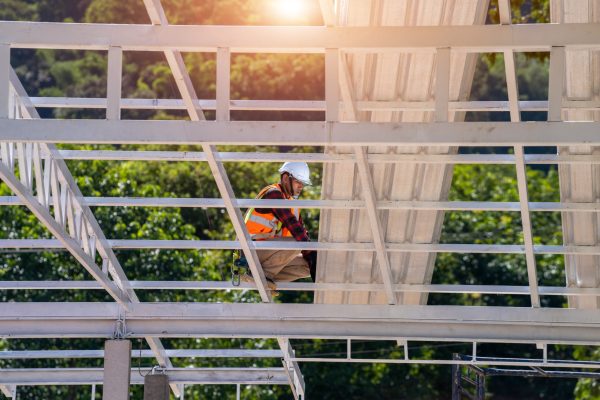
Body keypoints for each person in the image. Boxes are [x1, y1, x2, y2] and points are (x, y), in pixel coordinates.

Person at [241, 162, 318, 291]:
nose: (301, 187)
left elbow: (303, 234)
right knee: (299, 242)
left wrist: (313, 259)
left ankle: (266, 278)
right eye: (298, 182)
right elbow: (295, 229)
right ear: (286, 178)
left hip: (268, 255)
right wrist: (309, 250)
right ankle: (262, 275)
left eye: (303, 183)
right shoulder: (273, 193)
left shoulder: (292, 204)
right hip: (250, 251)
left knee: (308, 265)